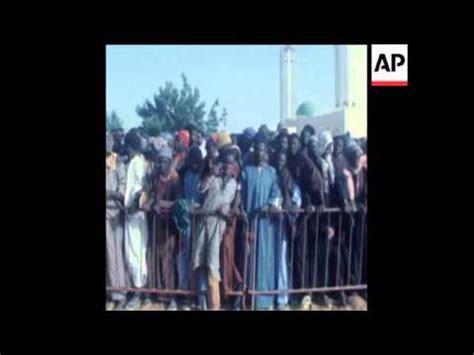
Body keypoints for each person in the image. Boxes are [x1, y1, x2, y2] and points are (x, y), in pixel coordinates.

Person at [241, 133, 282, 310]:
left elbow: (276, 193)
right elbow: (240, 195)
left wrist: (271, 206)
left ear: (266, 152)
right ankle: (249, 298)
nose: (259, 153)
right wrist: (242, 211)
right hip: (250, 222)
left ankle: (265, 300)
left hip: (266, 225)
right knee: (249, 259)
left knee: (265, 259)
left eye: (262, 150)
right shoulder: (246, 171)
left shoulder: (272, 172)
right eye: (256, 149)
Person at [192, 156, 237, 310]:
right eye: (224, 163)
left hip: (217, 225)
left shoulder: (232, 183)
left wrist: (221, 210)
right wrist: (210, 175)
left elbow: (224, 203)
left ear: (234, 166)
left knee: (212, 264)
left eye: (229, 164)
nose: (225, 166)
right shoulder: (213, 179)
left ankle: (214, 304)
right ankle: (202, 300)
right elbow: (200, 189)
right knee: (201, 262)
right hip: (204, 222)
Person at [143, 145, 183, 310]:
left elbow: (180, 202)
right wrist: (152, 204)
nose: (161, 165)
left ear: (169, 162)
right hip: (155, 225)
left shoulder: (175, 179)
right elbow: (149, 197)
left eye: (164, 161)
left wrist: (163, 204)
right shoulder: (154, 177)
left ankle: (171, 296)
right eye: (158, 161)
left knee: (169, 261)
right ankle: (155, 293)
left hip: (169, 227)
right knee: (153, 258)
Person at [123, 130, 149, 310]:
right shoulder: (138, 161)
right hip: (134, 214)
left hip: (135, 214)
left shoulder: (137, 162)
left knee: (136, 253)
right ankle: (139, 290)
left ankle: (139, 293)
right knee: (135, 252)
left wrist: (132, 205)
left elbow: (139, 189)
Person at [274, 151, 302, 310]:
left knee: (283, 261)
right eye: (277, 159)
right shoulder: (272, 176)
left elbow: (298, 200)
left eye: (282, 160)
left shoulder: (290, 181)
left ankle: (282, 298)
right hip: (270, 223)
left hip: (285, 223)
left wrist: (290, 211)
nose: (279, 162)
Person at [106, 135, 128, 310]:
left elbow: (122, 194)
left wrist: (111, 194)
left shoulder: (118, 165)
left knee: (115, 256)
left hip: (113, 215)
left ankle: (119, 293)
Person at [180, 146, 204, 309]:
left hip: (200, 221)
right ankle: (187, 292)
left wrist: (196, 206)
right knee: (188, 255)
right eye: (191, 161)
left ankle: (199, 294)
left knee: (199, 258)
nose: (194, 165)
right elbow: (183, 195)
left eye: (196, 162)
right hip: (188, 221)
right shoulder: (187, 175)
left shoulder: (204, 177)